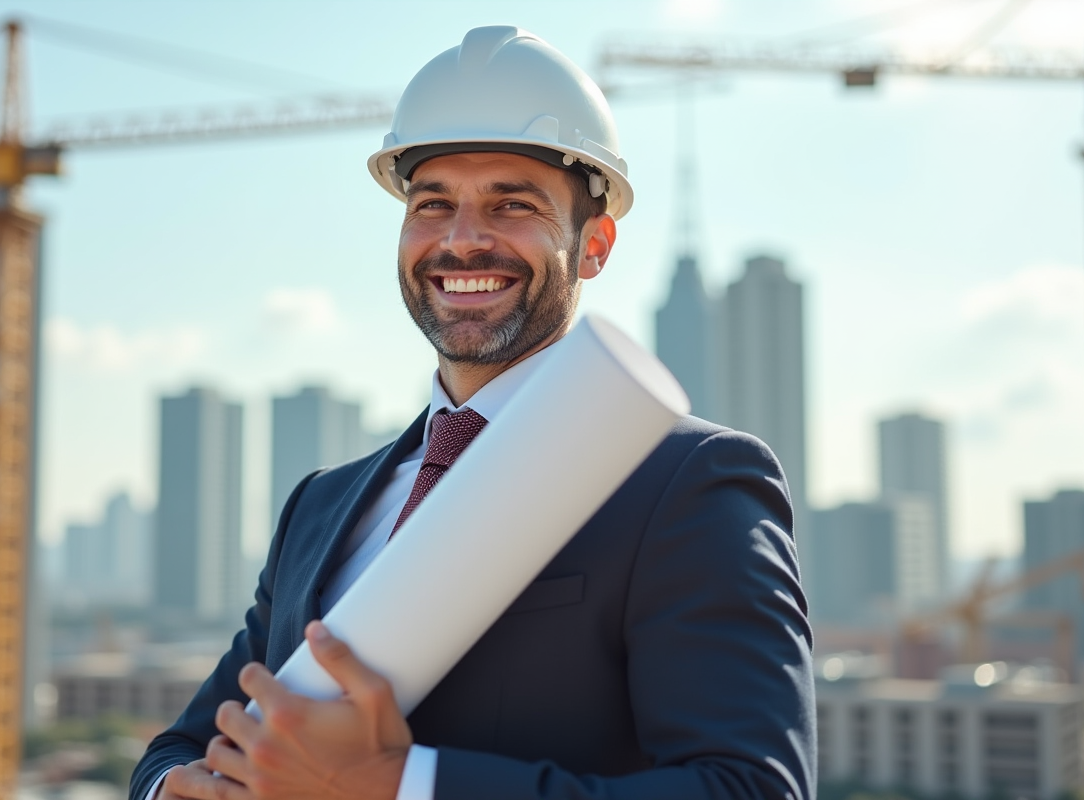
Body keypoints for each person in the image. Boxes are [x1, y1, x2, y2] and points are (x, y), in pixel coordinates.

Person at [130, 25, 815, 800]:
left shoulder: (689, 481)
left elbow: (750, 790)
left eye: (511, 204)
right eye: (433, 204)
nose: (461, 241)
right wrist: (174, 789)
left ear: (595, 245)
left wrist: (402, 786)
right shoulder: (319, 506)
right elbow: (188, 742)